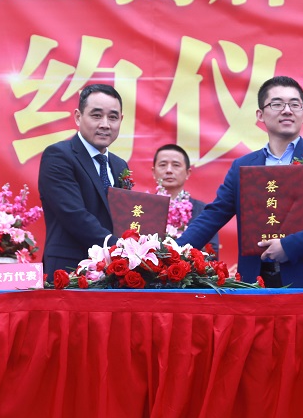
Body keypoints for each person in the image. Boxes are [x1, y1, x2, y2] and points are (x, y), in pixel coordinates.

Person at [179, 76, 303, 287]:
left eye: (294, 104)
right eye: (277, 104)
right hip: (255, 282)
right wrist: (173, 252)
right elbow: (213, 215)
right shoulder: (244, 166)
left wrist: (289, 246)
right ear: (260, 115)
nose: (287, 110)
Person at [39, 83, 130, 276]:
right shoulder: (58, 155)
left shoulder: (120, 165)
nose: (105, 124)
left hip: (115, 271)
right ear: (78, 117)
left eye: (113, 117)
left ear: (121, 120)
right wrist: (122, 249)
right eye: (96, 115)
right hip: (70, 270)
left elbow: (123, 217)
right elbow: (74, 215)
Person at [152, 143, 218, 255]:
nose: (169, 170)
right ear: (154, 172)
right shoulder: (144, 207)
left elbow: (212, 252)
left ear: (188, 173)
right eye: (163, 165)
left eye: (176, 165)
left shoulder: (204, 211)